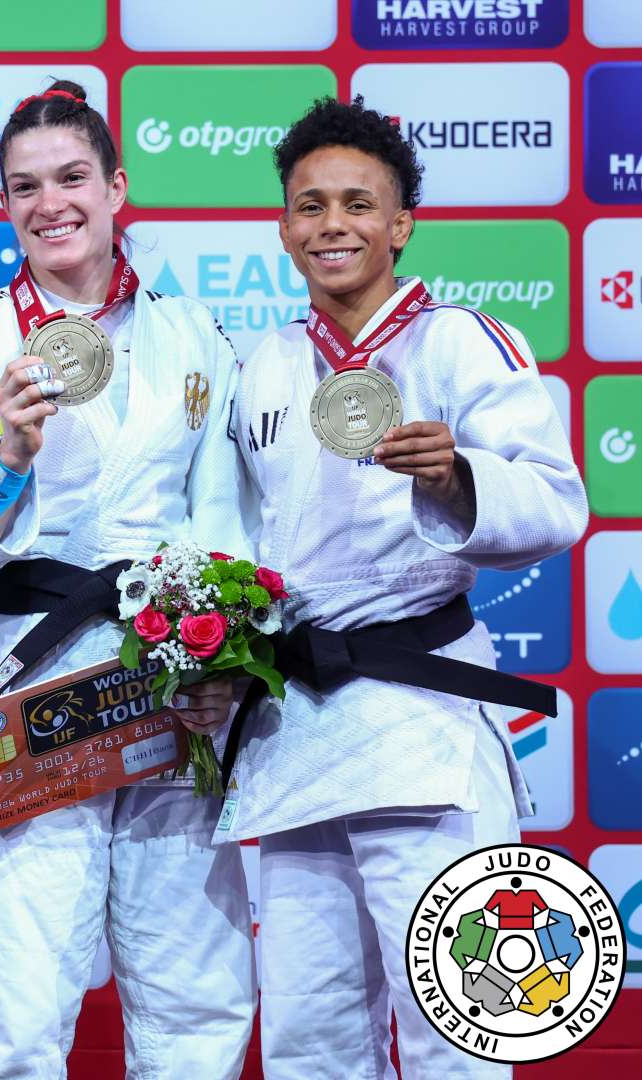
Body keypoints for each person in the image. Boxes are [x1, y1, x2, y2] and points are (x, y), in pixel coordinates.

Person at [216, 96, 587, 1079]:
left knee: (456, 1029)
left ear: (401, 224)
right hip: (299, 727)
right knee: (308, 1035)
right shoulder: (266, 367)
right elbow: (247, 539)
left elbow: (556, 503)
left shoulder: (465, 342)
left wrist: (458, 475)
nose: (330, 224)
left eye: (356, 204)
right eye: (307, 205)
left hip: (422, 715)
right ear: (284, 225)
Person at [0, 80, 256, 1079]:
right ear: (3, 205)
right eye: (23, 186)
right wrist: (9, 457)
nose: (49, 203)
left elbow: (229, 522)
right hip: (35, 683)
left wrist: (220, 657)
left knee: (197, 996)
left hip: (173, 682)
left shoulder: (195, 336)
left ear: (117, 188)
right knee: (18, 1012)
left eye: (70, 178)